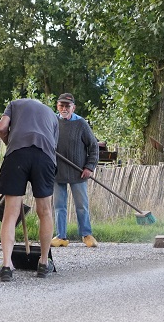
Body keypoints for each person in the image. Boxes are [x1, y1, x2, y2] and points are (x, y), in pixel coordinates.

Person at [0, 98, 58, 281]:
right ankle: (44, 263)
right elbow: (54, 146)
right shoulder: (52, 115)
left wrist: (10, 142)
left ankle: (7, 266)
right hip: (44, 157)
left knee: (10, 212)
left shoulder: (14, 104)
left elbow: (1, 127)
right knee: (45, 211)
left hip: (17, 154)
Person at [51, 93, 99, 248]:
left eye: (67, 106)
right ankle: (61, 237)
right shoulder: (52, 121)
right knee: (59, 206)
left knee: (81, 205)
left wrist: (89, 167)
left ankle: (87, 235)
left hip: (78, 172)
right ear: (57, 106)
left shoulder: (81, 124)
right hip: (57, 171)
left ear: (73, 107)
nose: (64, 108)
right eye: (61, 105)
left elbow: (93, 146)